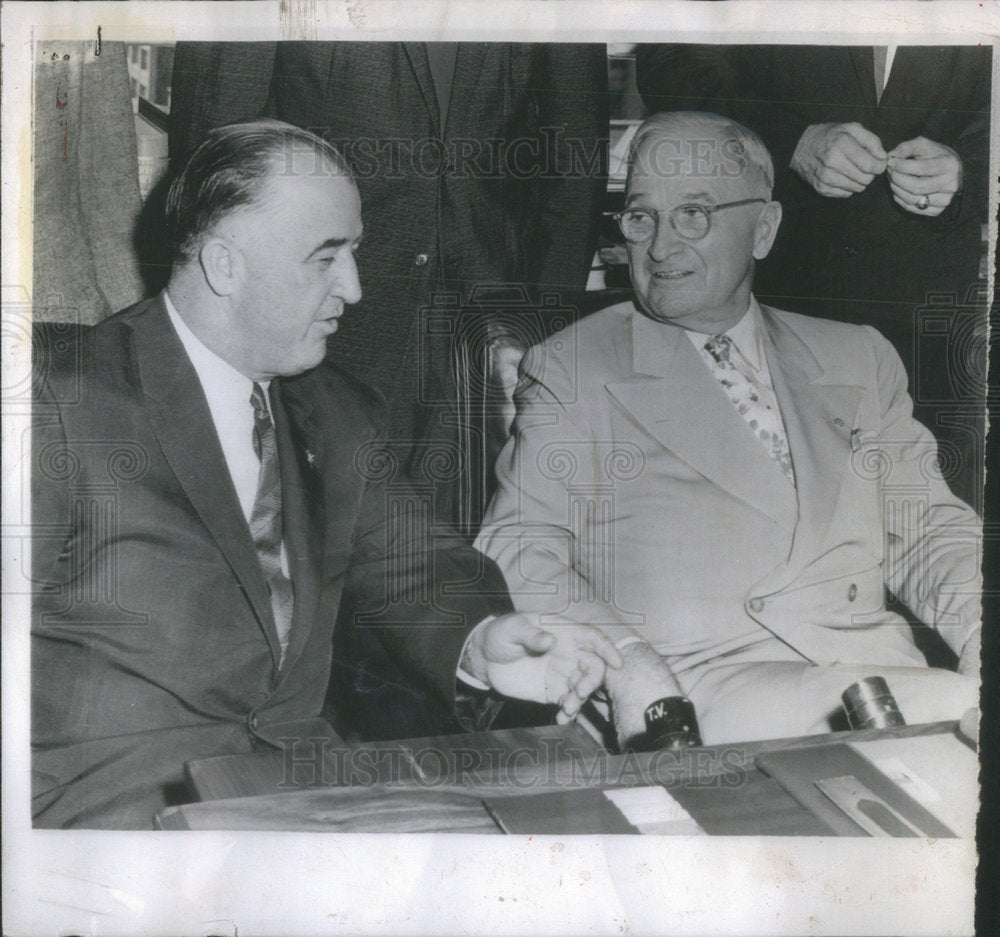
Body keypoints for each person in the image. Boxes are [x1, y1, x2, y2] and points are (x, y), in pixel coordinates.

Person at [30, 121, 622, 829]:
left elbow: (419, 568)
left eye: (356, 252)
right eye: (326, 257)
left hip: (307, 800)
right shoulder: (58, 402)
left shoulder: (336, 410)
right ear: (225, 265)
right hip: (115, 821)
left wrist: (481, 641)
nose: (356, 287)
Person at [475, 111, 981, 748]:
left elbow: (929, 528)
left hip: (885, 683)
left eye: (694, 214)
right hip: (704, 696)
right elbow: (517, 546)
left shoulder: (858, 357)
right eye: (641, 216)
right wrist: (627, 657)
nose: (660, 246)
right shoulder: (576, 367)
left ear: (763, 229)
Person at [168, 41, 610, 529]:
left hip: (486, 338)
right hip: (321, 331)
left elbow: (575, 162)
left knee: (461, 567)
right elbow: (214, 160)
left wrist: (533, 337)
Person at [634, 44, 991, 511]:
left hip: (933, 316)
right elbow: (671, 62)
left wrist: (972, 167)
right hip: (779, 291)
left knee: (933, 533)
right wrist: (790, 142)